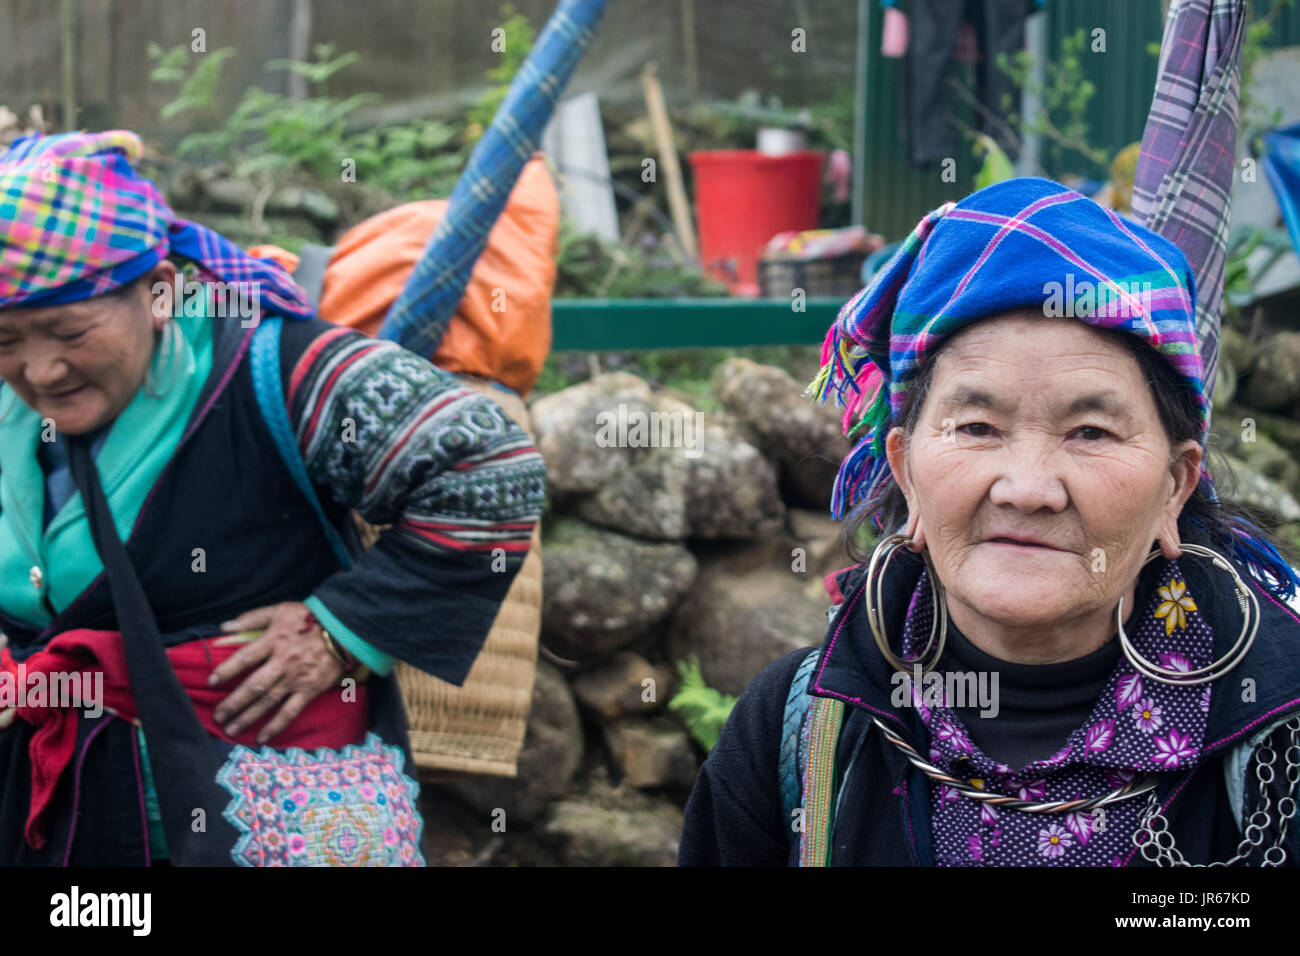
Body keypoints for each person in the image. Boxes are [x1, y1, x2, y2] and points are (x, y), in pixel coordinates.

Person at [679, 177, 1300, 867]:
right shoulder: (794, 734)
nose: (1028, 488)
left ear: (1174, 489)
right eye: (976, 425)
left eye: (1091, 431)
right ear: (907, 470)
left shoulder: (1277, 735)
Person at [0, 130, 547, 865]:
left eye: (70, 330)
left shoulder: (277, 370)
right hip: (61, 810)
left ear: (159, 291)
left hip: (264, 813)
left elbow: (488, 466)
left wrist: (345, 632)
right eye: (6, 339)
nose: (41, 368)